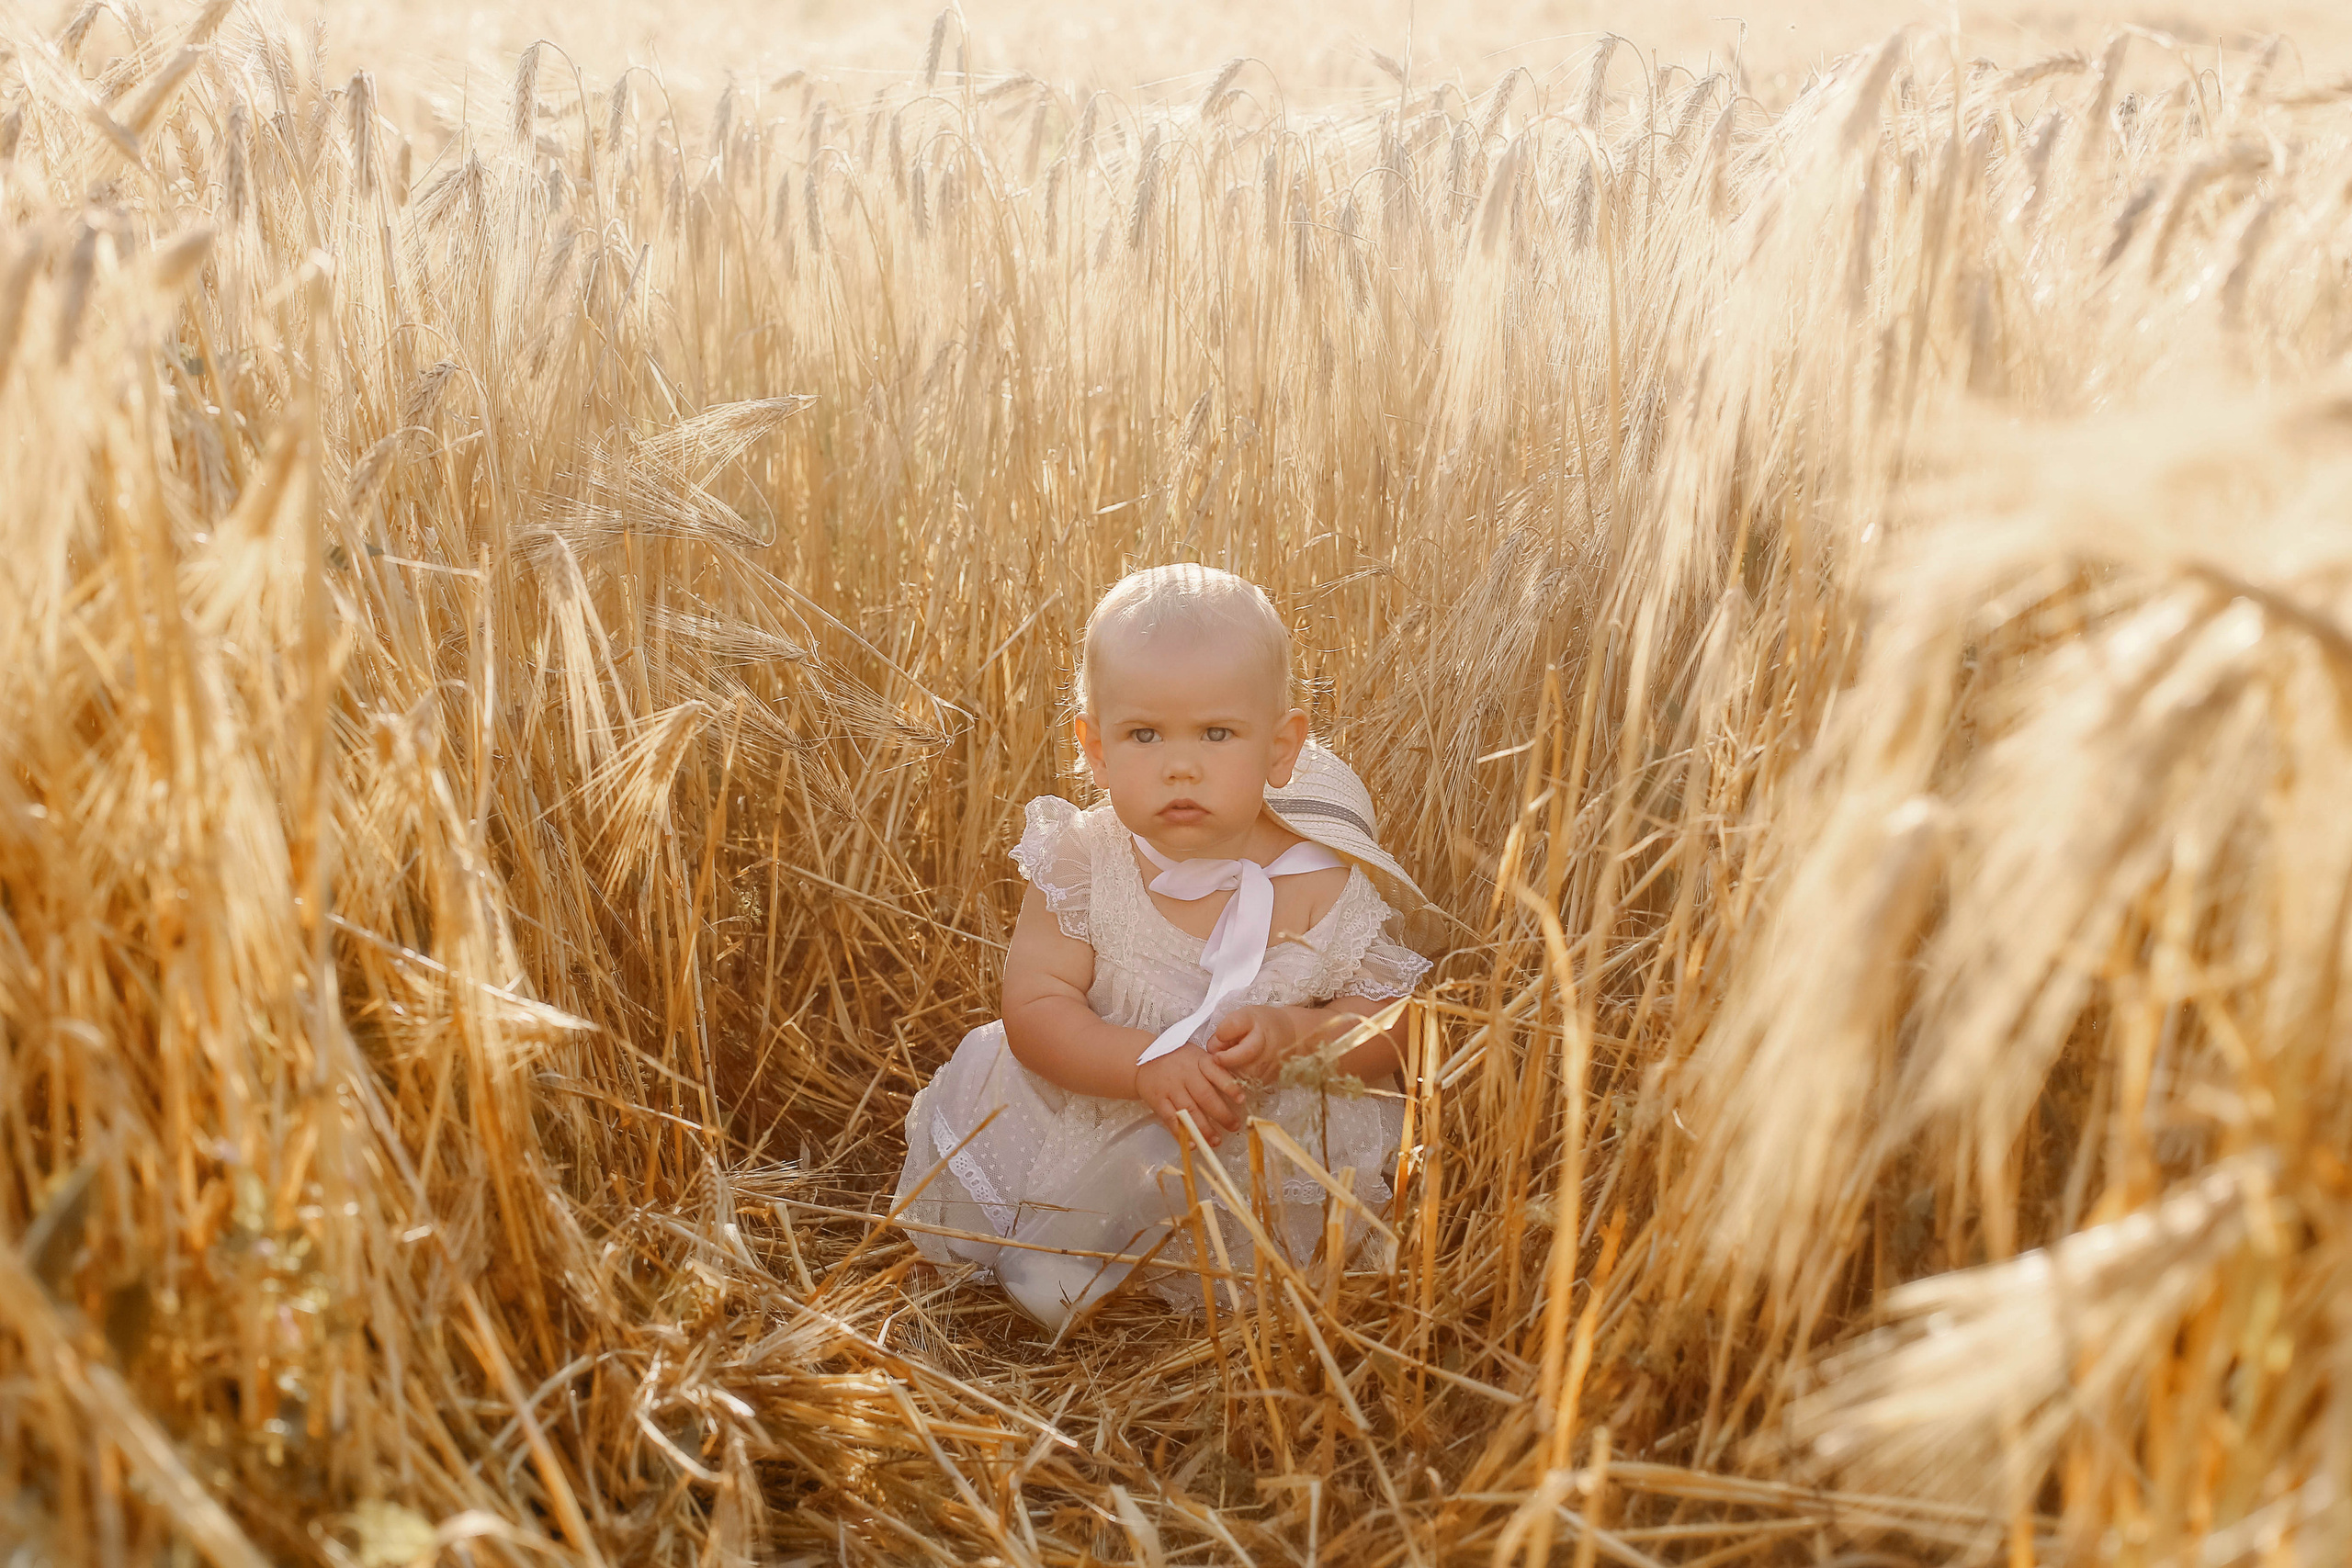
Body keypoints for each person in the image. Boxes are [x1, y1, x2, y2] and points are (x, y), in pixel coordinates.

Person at [893, 564, 1434, 1329]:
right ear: (1096, 747)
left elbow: (1397, 1021)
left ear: (1281, 747)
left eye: (1217, 733)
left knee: (1265, 1209)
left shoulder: (1318, 878)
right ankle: (1059, 1244)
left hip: (1246, 1124)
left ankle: (1207, 1268)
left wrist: (1295, 1037)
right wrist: (1140, 1062)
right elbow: (1035, 1005)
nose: (1180, 764)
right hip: (1101, 1084)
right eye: (1144, 734)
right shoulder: (1087, 858)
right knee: (1058, 1151)